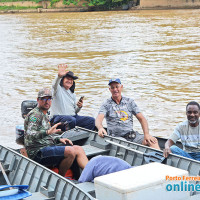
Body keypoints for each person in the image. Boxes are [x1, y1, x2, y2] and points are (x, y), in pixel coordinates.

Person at [24, 88, 88, 177]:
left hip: (47, 146)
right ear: (38, 100)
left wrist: (58, 139)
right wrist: (48, 132)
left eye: (49, 99)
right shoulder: (35, 115)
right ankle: (61, 178)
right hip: (37, 152)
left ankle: (90, 174)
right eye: (44, 99)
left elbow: (46, 137)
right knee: (70, 151)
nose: (47, 101)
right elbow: (31, 135)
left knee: (78, 149)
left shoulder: (45, 113)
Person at [95, 78, 160, 149]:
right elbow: (98, 119)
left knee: (153, 141)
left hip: (132, 136)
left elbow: (142, 119)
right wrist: (100, 128)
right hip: (116, 138)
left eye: (117, 86)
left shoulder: (130, 102)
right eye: (112, 87)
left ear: (121, 87)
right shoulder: (106, 104)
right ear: (109, 89)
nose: (115, 89)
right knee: (124, 146)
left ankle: (160, 160)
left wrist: (146, 135)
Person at [50, 64, 95, 131]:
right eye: (67, 79)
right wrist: (58, 76)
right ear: (62, 80)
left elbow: (75, 112)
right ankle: (67, 137)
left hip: (72, 118)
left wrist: (79, 107)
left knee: (91, 120)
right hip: (57, 119)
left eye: (71, 80)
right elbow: (54, 85)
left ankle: (80, 137)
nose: (70, 81)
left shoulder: (72, 94)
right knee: (71, 120)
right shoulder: (57, 89)